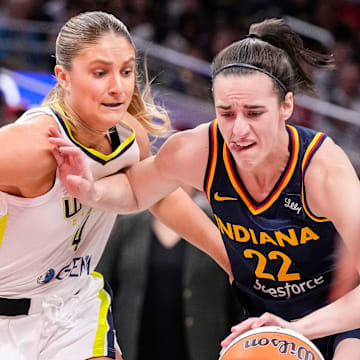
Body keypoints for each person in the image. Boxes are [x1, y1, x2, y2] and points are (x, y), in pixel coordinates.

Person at [49, 17, 360, 360]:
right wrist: (92, 191)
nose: (238, 130)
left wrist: (297, 329)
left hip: (341, 315)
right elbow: (138, 192)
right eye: (226, 113)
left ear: (286, 106)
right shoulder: (199, 150)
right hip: (261, 317)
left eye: (254, 113)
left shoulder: (323, 170)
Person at [0, 10, 231, 360]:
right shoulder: (33, 147)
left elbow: (160, 196)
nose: (118, 86)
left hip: (73, 306)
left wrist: (232, 262)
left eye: (126, 71)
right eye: (100, 73)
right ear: (62, 77)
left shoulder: (128, 135)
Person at [96, 188, 244, 360]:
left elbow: (237, 294)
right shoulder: (127, 226)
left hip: (202, 347)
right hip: (135, 345)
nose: (175, 184)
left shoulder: (217, 227)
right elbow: (101, 283)